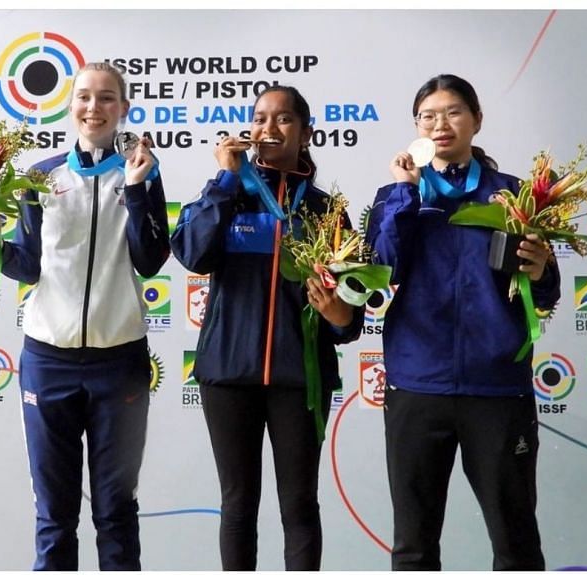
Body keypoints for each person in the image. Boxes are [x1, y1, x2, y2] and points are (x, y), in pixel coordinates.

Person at [0, 62, 169, 570]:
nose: (93, 108)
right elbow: (29, 266)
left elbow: (150, 258)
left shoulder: (140, 171)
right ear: (70, 105)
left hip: (118, 360)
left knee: (116, 511)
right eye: (83, 97)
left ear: (123, 109)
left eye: (106, 98)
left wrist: (138, 189)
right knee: (54, 514)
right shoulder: (41, 176)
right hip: (47, 360)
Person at [365, 74, 560, 571]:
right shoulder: (394, 195)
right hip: (417, 385)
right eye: (428, 116)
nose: (441, 124)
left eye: (452, 112)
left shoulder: (515, 197)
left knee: (516, 542)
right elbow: (383, 271)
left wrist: (541, 270)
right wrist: (407, 195)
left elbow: (544, 291)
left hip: (496, 388)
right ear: (416, 127)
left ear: (476, 119)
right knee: (413, 545)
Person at [170, 85, 364, 571]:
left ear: (305, 133)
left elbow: (352, 307)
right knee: (238, 505)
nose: (268, 129)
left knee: (299, 505)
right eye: (259, 119)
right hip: (228, 374)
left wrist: (342, 317)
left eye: (282, 120)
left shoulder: (326, 211)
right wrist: (223, 180)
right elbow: (193, 255)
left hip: (301, 378)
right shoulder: (226, 195)